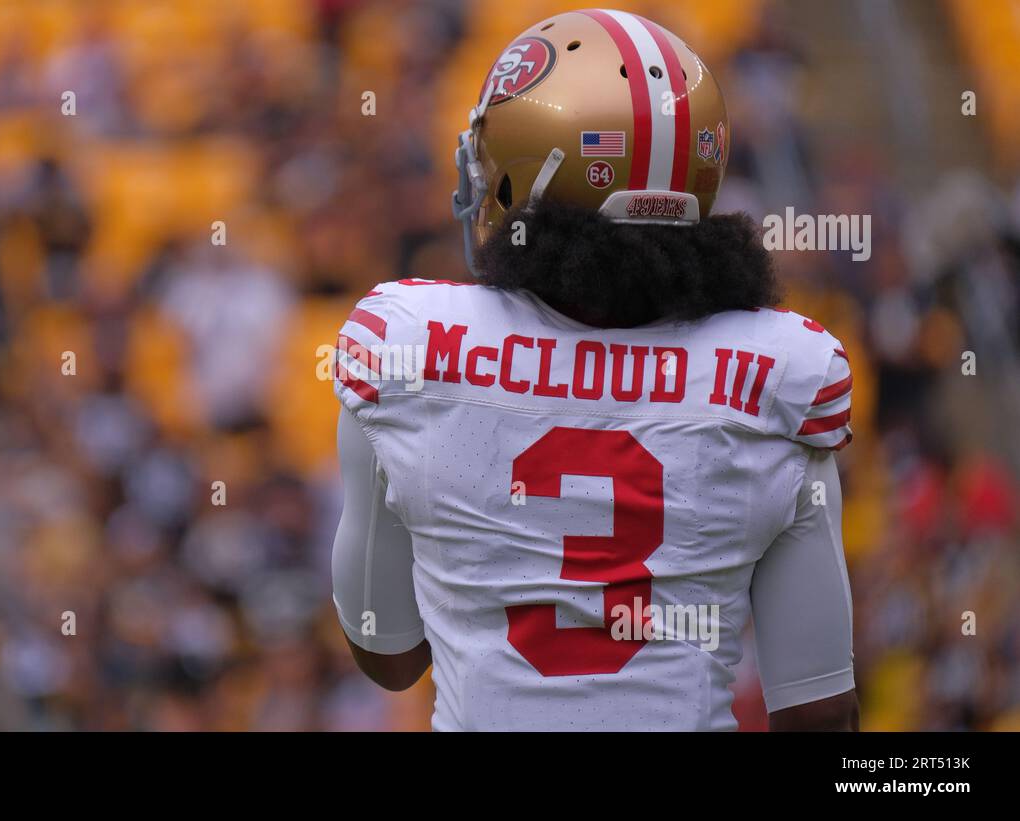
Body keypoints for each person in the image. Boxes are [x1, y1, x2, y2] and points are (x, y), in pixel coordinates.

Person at [330, 8, 858, 731]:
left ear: (528, 173)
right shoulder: (778, 375)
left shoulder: (406, 347)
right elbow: (818, 707)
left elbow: (387, 651)